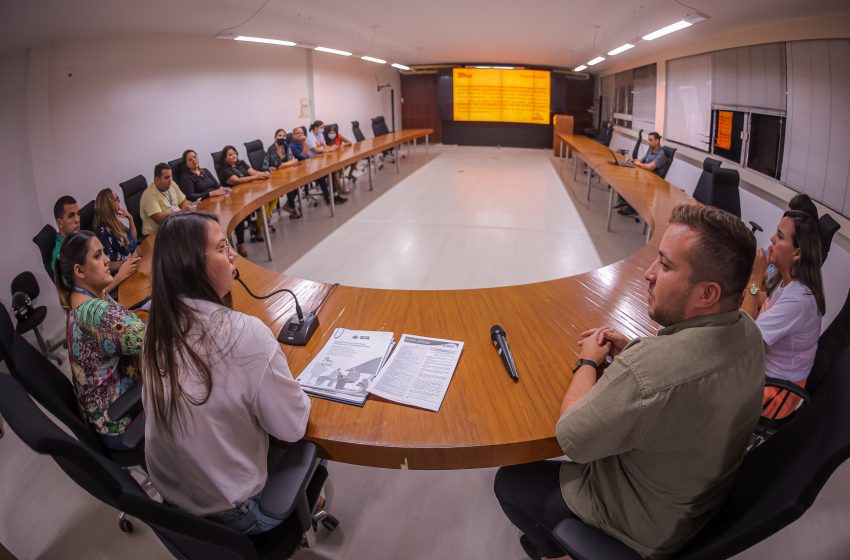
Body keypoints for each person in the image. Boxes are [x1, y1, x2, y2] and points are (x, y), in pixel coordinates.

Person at [494, 204, 765, 560]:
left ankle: (554, 551)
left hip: (643, 532)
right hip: (696, 505)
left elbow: (572, 438)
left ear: (707, 294)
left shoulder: (648, 372)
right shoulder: (747, 331)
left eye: (666, 265)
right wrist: (638, 354)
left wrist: (588, 361)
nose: (648, 273)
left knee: (509, 482)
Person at [142, 211, 311, 535]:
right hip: (237, 513)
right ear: (191, 265)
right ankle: (307, 507)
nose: (233, 254)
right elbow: (293, 427)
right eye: (221, 248)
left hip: (175, 502)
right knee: (313, 441)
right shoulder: (245, 334)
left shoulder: (156, 328)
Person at [54, 230, 144, 450]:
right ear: (79, 271)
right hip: (121, 420)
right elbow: (154, 341)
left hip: (106, 412)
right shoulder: (96, 313)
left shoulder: (80, 300)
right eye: (98, 255)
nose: (106, 260)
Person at [742, 209, 825, 419]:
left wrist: (755, 277)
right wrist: (754, 288)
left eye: (779, 236)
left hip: (776, 393)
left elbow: (744, 335)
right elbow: (764, 302)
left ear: (797, 253)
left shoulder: (799, 299)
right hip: (763, 370)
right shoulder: (787, 279)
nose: (772, 238)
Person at [92, 188, 141, 287]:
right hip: (125, 273)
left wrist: (130, 219)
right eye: (117, 199)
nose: (119, 201)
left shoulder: (115, 222)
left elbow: (133, 241)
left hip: (135, 262)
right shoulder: (102, 231)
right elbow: (109, 263)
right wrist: (127, 261)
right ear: (108, 205)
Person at [290, 126, 347, 205]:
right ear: (293, 135)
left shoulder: (304, 141)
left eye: (302, 133)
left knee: (332, 171)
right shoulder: (292, 146)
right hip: (300, 171)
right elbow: (303, 156)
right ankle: (328, 198)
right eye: (298, 133)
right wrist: (304, 142)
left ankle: (335, 195)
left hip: (310, 166)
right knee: (321, 177)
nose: (301, 135)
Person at [619, 132, 668, 216]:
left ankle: (632, 209)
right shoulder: (650, 149)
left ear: (657, 141)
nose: (648, 142)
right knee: (625, 178)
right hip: (646, 175)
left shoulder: (661, 154)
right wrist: (633, 160)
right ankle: (625, 201)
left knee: (634, 184)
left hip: (654, 180)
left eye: (650, 140)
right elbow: (642, 160)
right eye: (648, 140)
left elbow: (650, 167)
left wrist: (639, 164)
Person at [140, 163, 196, 236]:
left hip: (174, 225)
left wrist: (189, 207)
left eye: (170, 176)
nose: (170, 180)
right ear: (157, 179)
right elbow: (159, 218)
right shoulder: (148, 195)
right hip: (157, 233)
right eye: (166, 177)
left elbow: (183, 201)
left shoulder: (171, 184)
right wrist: (181, 212)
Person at [263, 129, 300, 218]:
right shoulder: (271, 149)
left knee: (298, 182)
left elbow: (294, 160)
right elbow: (279, 165)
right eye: (280, 135)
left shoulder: (286, 146)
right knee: (290, 185)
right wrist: (289, 163)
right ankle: (291, 206)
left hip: (283, 173)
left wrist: (288, 163)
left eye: (284, 136)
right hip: (272, 177)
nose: (282, 137)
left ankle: (289, 205)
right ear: (275, 137)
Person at [51, 195, 80, 272]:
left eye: (78, 214)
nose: (77, 220)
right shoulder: (60, 255)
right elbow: (72, 284)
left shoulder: (76, 238)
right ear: (60, 223)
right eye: (71, 216)